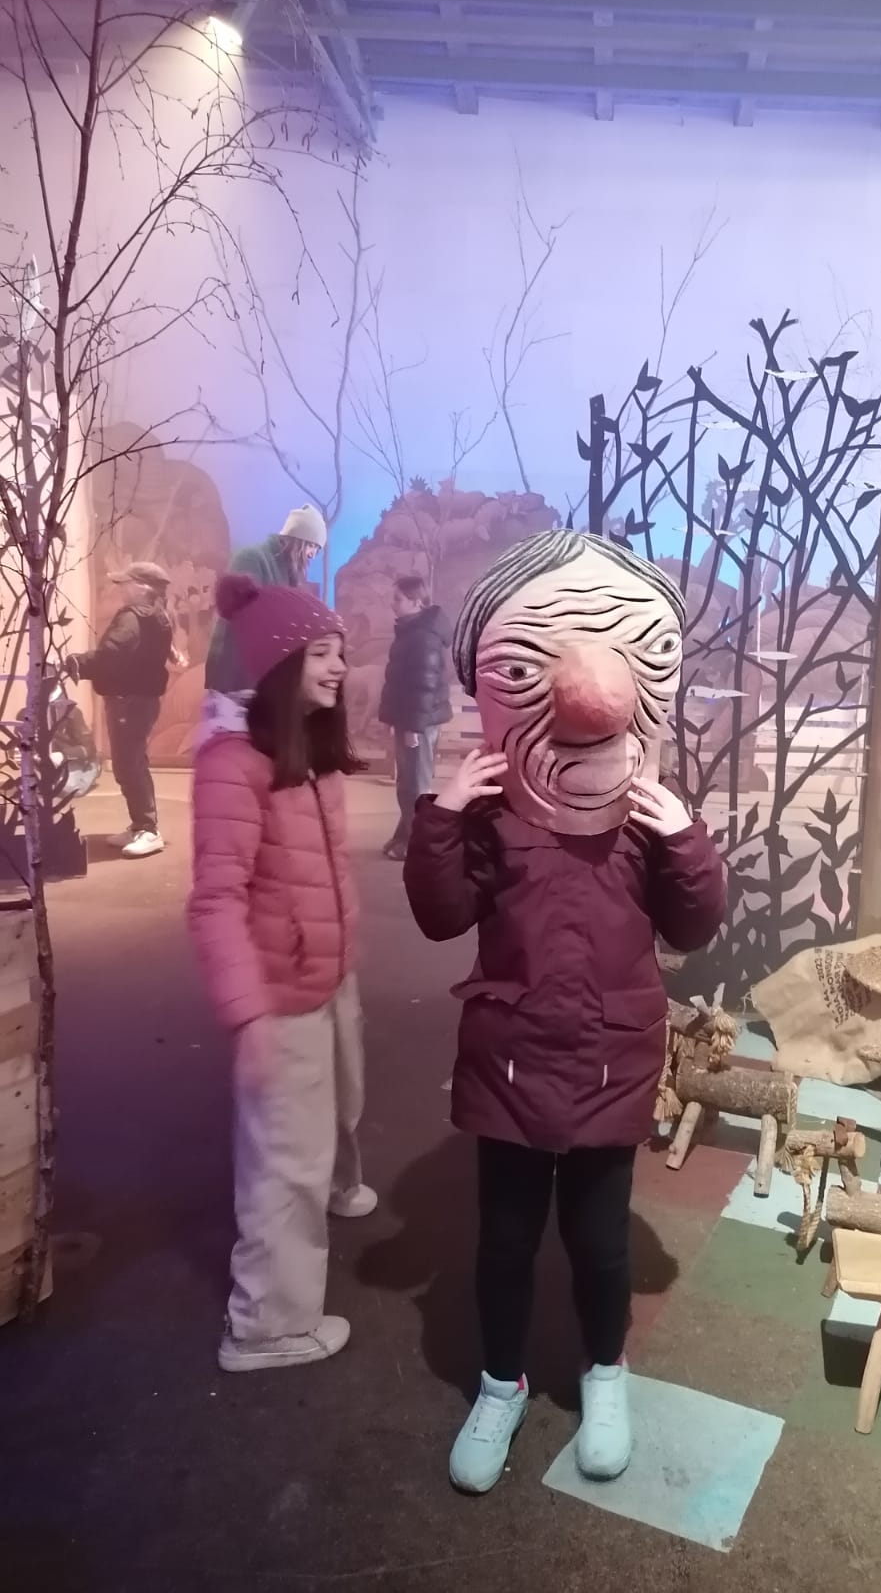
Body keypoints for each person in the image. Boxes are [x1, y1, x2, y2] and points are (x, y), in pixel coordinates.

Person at [403, 530, 726, 1495]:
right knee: (504, 1238)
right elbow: (440, 915)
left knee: (599, 1239)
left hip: (609, 1058)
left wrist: (686, 839)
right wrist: (443, 816)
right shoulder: (493, 812)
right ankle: (499, 1385)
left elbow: (694, 924)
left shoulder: (645, 815)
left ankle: (605, 1375)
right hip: (510, 1056)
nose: (596, 698)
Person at [187, 572, 377, 1375]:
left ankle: (337, 1186)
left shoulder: (313, 754)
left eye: (341, 653)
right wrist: (249, 1013)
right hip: (280, 993)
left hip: (330, 975)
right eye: (322, 654)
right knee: (282, 1160)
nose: (339, 669)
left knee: (342, 1103)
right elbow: (215, 902)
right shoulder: (234, 766)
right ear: (280, 662)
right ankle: (266, 1325)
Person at [68, 560, 174, 859]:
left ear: (142, 587)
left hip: (129, 701)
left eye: (125, 583)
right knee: (132, 762)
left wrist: (77, 663)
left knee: (129, 765)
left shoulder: (132, 617)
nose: (121, 589)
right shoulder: (158, 615)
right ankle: (140, 824)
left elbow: (112, 653)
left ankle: (148, 830)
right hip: (141, 700)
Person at [203, 504, 327, 698]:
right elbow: (242, 616)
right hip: (234, 676)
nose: (312, 554)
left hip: (260, 680)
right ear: (298, 540)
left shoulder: (290, 575)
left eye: (317, 550)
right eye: (311, 546)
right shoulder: (252, 558)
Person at [378, 573, 452, 861]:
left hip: (419, 724)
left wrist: (412, 727)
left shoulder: (423, 637)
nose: (392, 604)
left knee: (418, 786)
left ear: (416, 602)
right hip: (411, 721)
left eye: (398, 599)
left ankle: (419, 845)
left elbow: (424, 685)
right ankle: (404, 836)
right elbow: (402, 682)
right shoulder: (412, 632)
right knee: (407, 784)